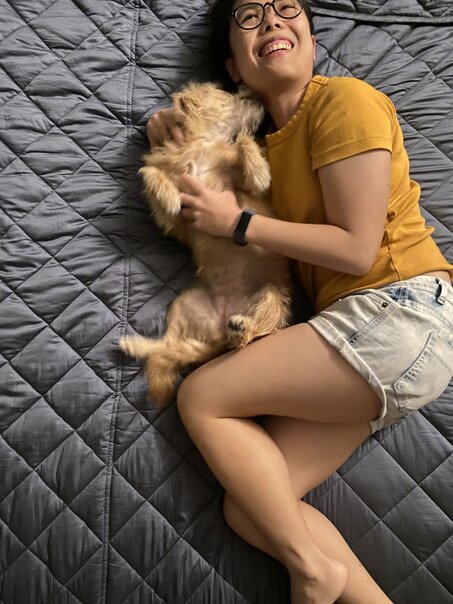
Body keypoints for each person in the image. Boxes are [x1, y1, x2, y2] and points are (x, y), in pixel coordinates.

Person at [147, 1, 453, 602]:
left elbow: (357, 248)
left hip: (401, 310)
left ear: (311, 39)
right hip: (384, 340)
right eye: (250, 17)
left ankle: (312, 574)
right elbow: (202, 150)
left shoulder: (345, 101)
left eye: (286, 8)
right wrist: (172, 125)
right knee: (255, 508)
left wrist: (238, 224)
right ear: (234, 68)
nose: (272, 22)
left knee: (203, 396)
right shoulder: (263, 145)